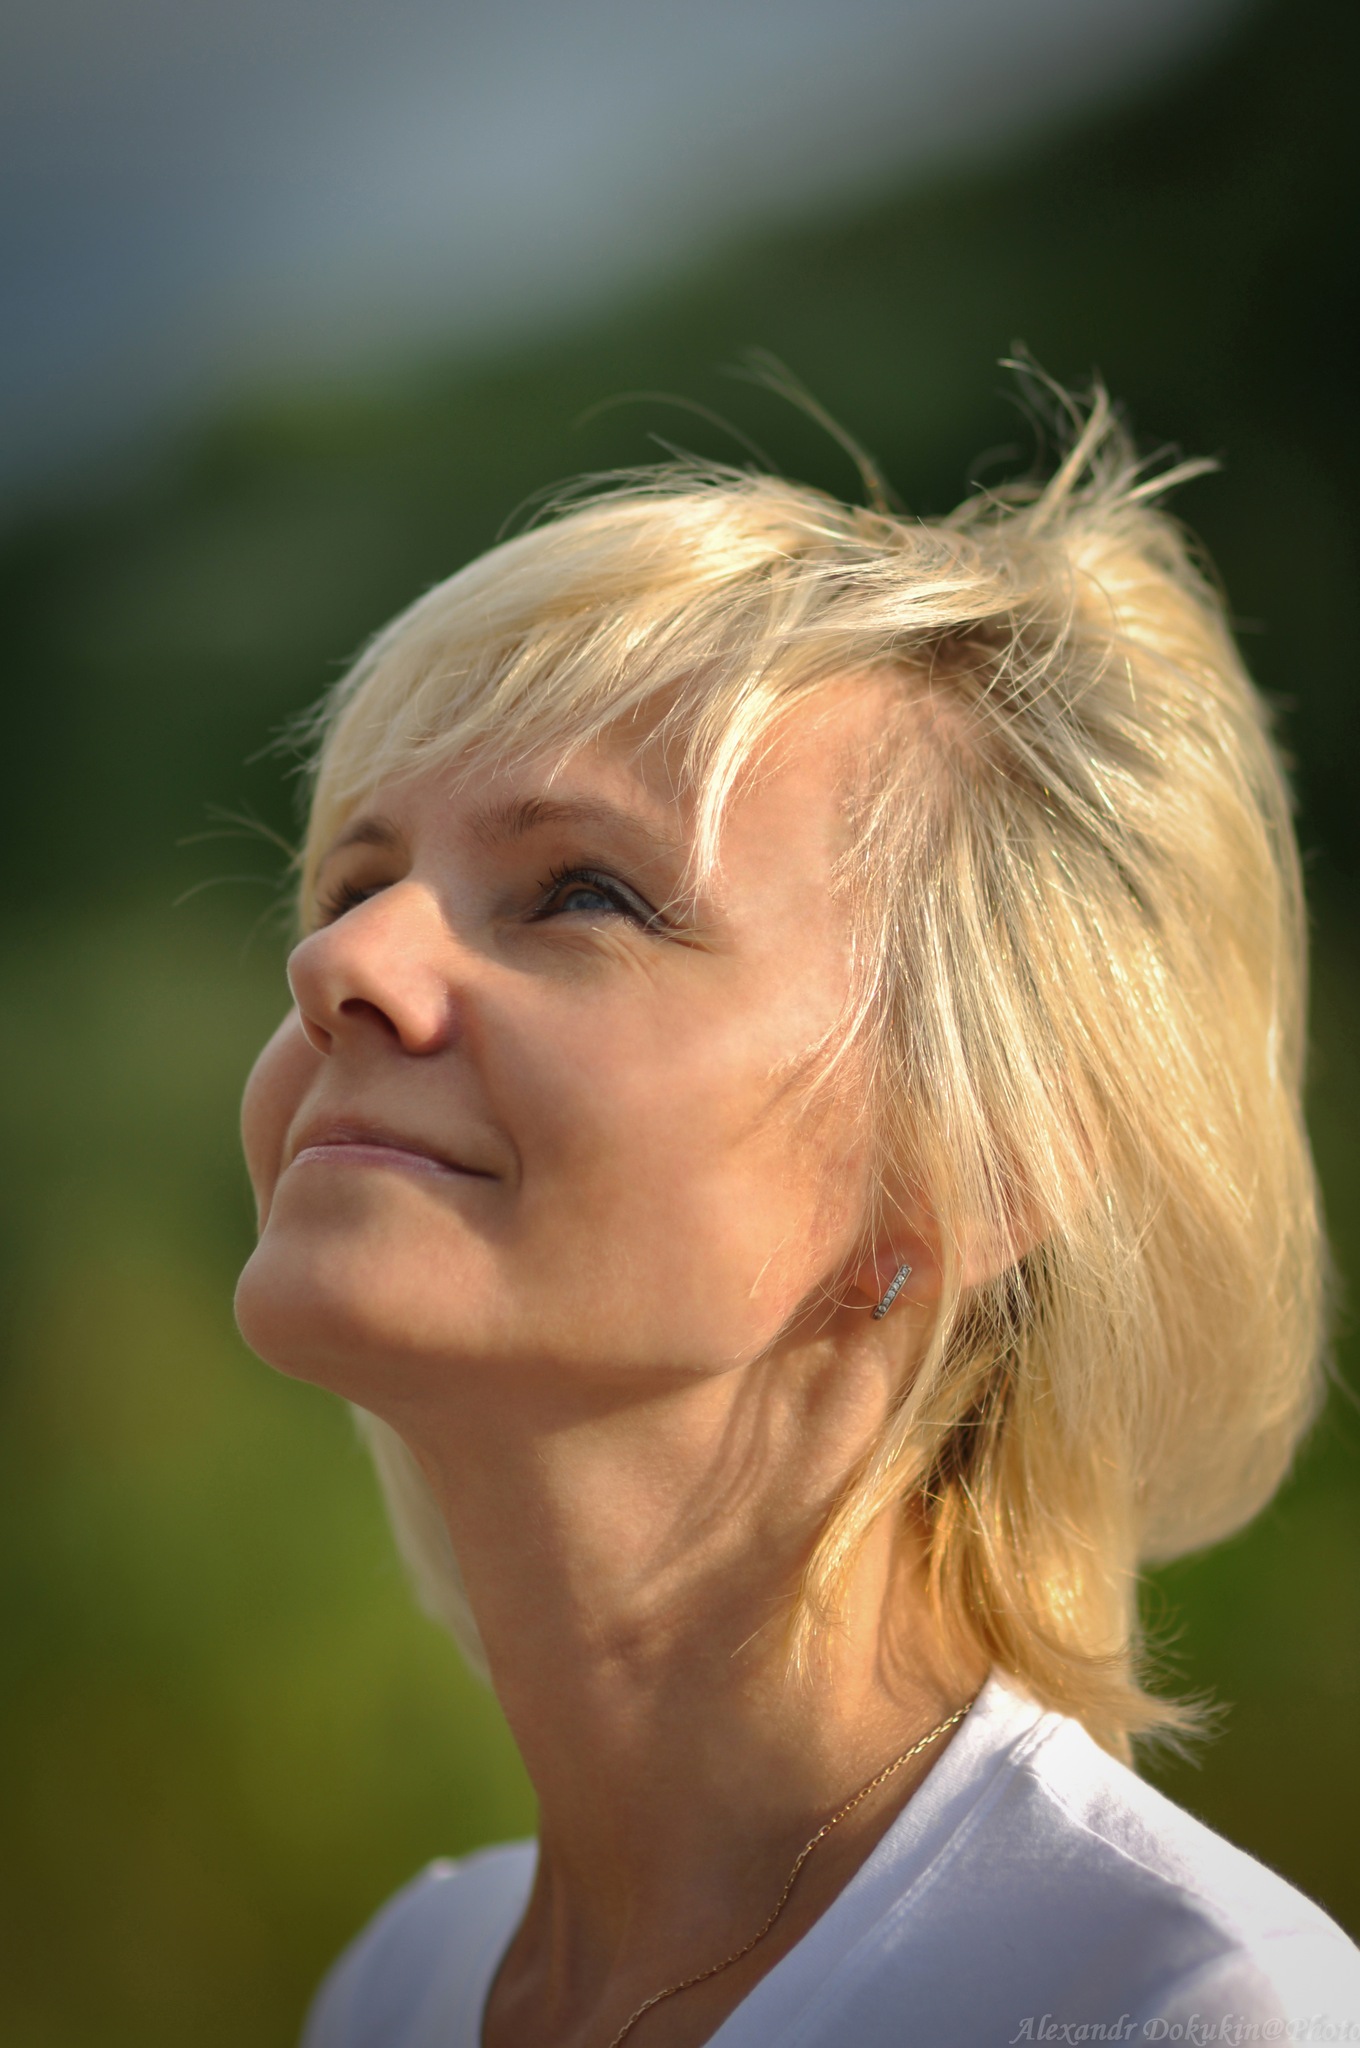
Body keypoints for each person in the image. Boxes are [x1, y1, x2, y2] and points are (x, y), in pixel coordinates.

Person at [234, 383, 1360, 2048]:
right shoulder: (399, 1988)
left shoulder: (1176, 2011)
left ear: (975, 1164)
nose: (341, 960)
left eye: (583, 892)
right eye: (353, 883)